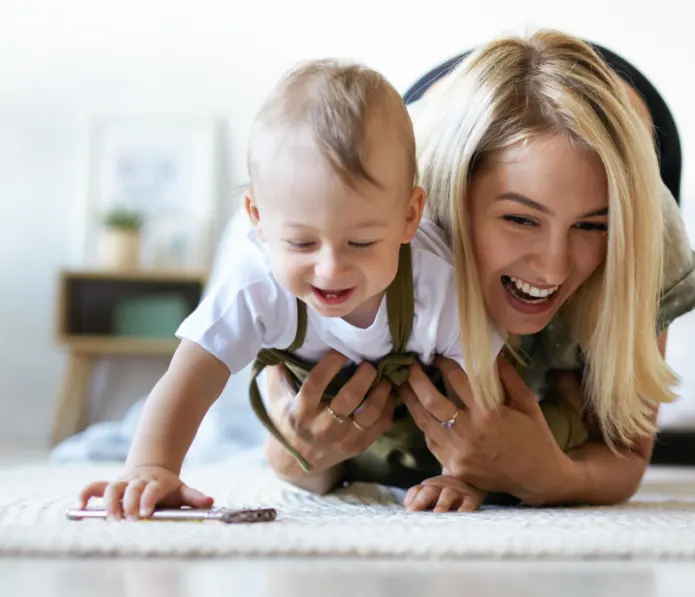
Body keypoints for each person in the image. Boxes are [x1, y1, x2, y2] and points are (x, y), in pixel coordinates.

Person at [260, 30, 695, 511]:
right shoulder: (378, 214)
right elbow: (289, 443)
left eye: (590, 225)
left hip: (625, 108)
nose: (553, 266)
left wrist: (554, 476)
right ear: (439, 204)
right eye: (520, 219)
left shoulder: (645, 223)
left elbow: (623, 455)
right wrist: (297, 457)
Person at [75, 58, 515, 519]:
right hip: (310, 408)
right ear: (258, 217)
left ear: (409, 216)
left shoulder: (435, 282)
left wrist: (464, 475)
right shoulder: (256, 280)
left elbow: (484, 391)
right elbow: (190, 375)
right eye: (302, 242)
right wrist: (151, 466)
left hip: (418, 412)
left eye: (361, 242)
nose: (330, 268)